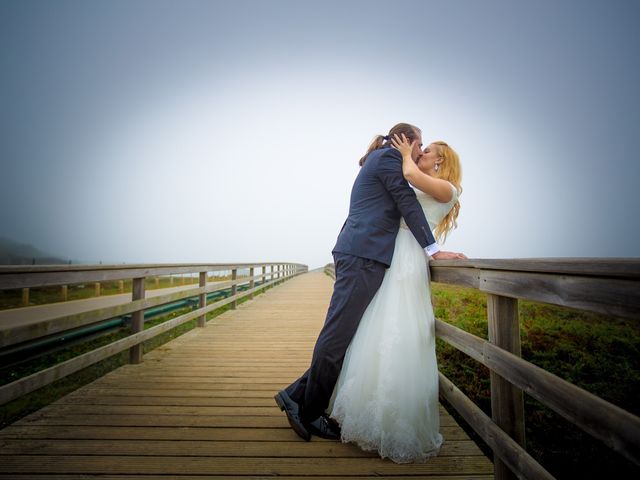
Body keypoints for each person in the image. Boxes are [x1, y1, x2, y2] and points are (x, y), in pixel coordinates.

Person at [274, 123, 463, 441]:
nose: (419, 153)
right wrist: (434, 250)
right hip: (364, 255)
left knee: (351, 334)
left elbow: (410, 201)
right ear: (407, 141)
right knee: (337, 335)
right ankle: (306, 411)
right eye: (420, 146)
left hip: (370, 255)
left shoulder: (386, 159)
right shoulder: (390, 158)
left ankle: (296, 395)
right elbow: (408, 203)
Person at [326, 133, 465, 463]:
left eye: (426, 151)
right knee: (374, 328)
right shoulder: (421, 179)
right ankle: (366, 415)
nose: (420, 153)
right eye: (419, 148)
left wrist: (403, 151)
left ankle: (395, 422)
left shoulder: (448, 188)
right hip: (390, 255)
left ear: (441, 160)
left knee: (400, 330)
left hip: (407, 259)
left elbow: (410, 177)